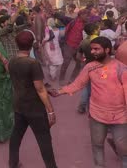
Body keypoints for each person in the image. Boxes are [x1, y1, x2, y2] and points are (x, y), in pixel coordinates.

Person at [51, 36, 127, 168]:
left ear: (107, 50)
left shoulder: (121, 69)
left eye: (96, 49)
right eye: (92, 49)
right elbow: (78, 84)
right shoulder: (90, 67)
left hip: (120, 116)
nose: (92, 52)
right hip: (97, 115)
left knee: (122, 146)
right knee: (97, 145)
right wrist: (59, 92)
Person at [8, 31, 57, 168]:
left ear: (17, 44)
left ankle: (13, 163)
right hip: (34, 107)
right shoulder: (32, 63)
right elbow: (39, 89)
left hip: (19, 105)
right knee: (44, 139)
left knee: (16, 136)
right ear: (31, 44)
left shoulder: (12, 60)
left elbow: (23, 81)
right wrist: (51, 111)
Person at [76, 23, 100, 114]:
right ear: (94, 31)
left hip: (87, 66)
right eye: (98, 28)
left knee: (86, 87)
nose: (99, 30)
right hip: (99, 67)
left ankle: (82, 106)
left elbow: (78, 57)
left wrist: (85, 60)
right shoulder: (100, 41)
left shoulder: (83, 42)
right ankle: (93, 110)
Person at [60, 9, 89, 82]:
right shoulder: (73, 22)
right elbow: (66, 31)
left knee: (79, 63)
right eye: (86, 15)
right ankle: (61, 79)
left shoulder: (86, 24)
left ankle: (72, 79)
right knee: (66, 63)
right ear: (81, 15)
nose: (87, 17)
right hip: (69, 45)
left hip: (79, 47)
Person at [41, 18, 63, 84]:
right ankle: (53, 74)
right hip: (56, 45)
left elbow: (47, 37)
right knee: (55, 60)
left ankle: (52, 76)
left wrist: (42, 42)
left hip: (49, 46)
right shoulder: (57, 29)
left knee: (50, 60)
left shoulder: (47, 28)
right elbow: (59, 38)